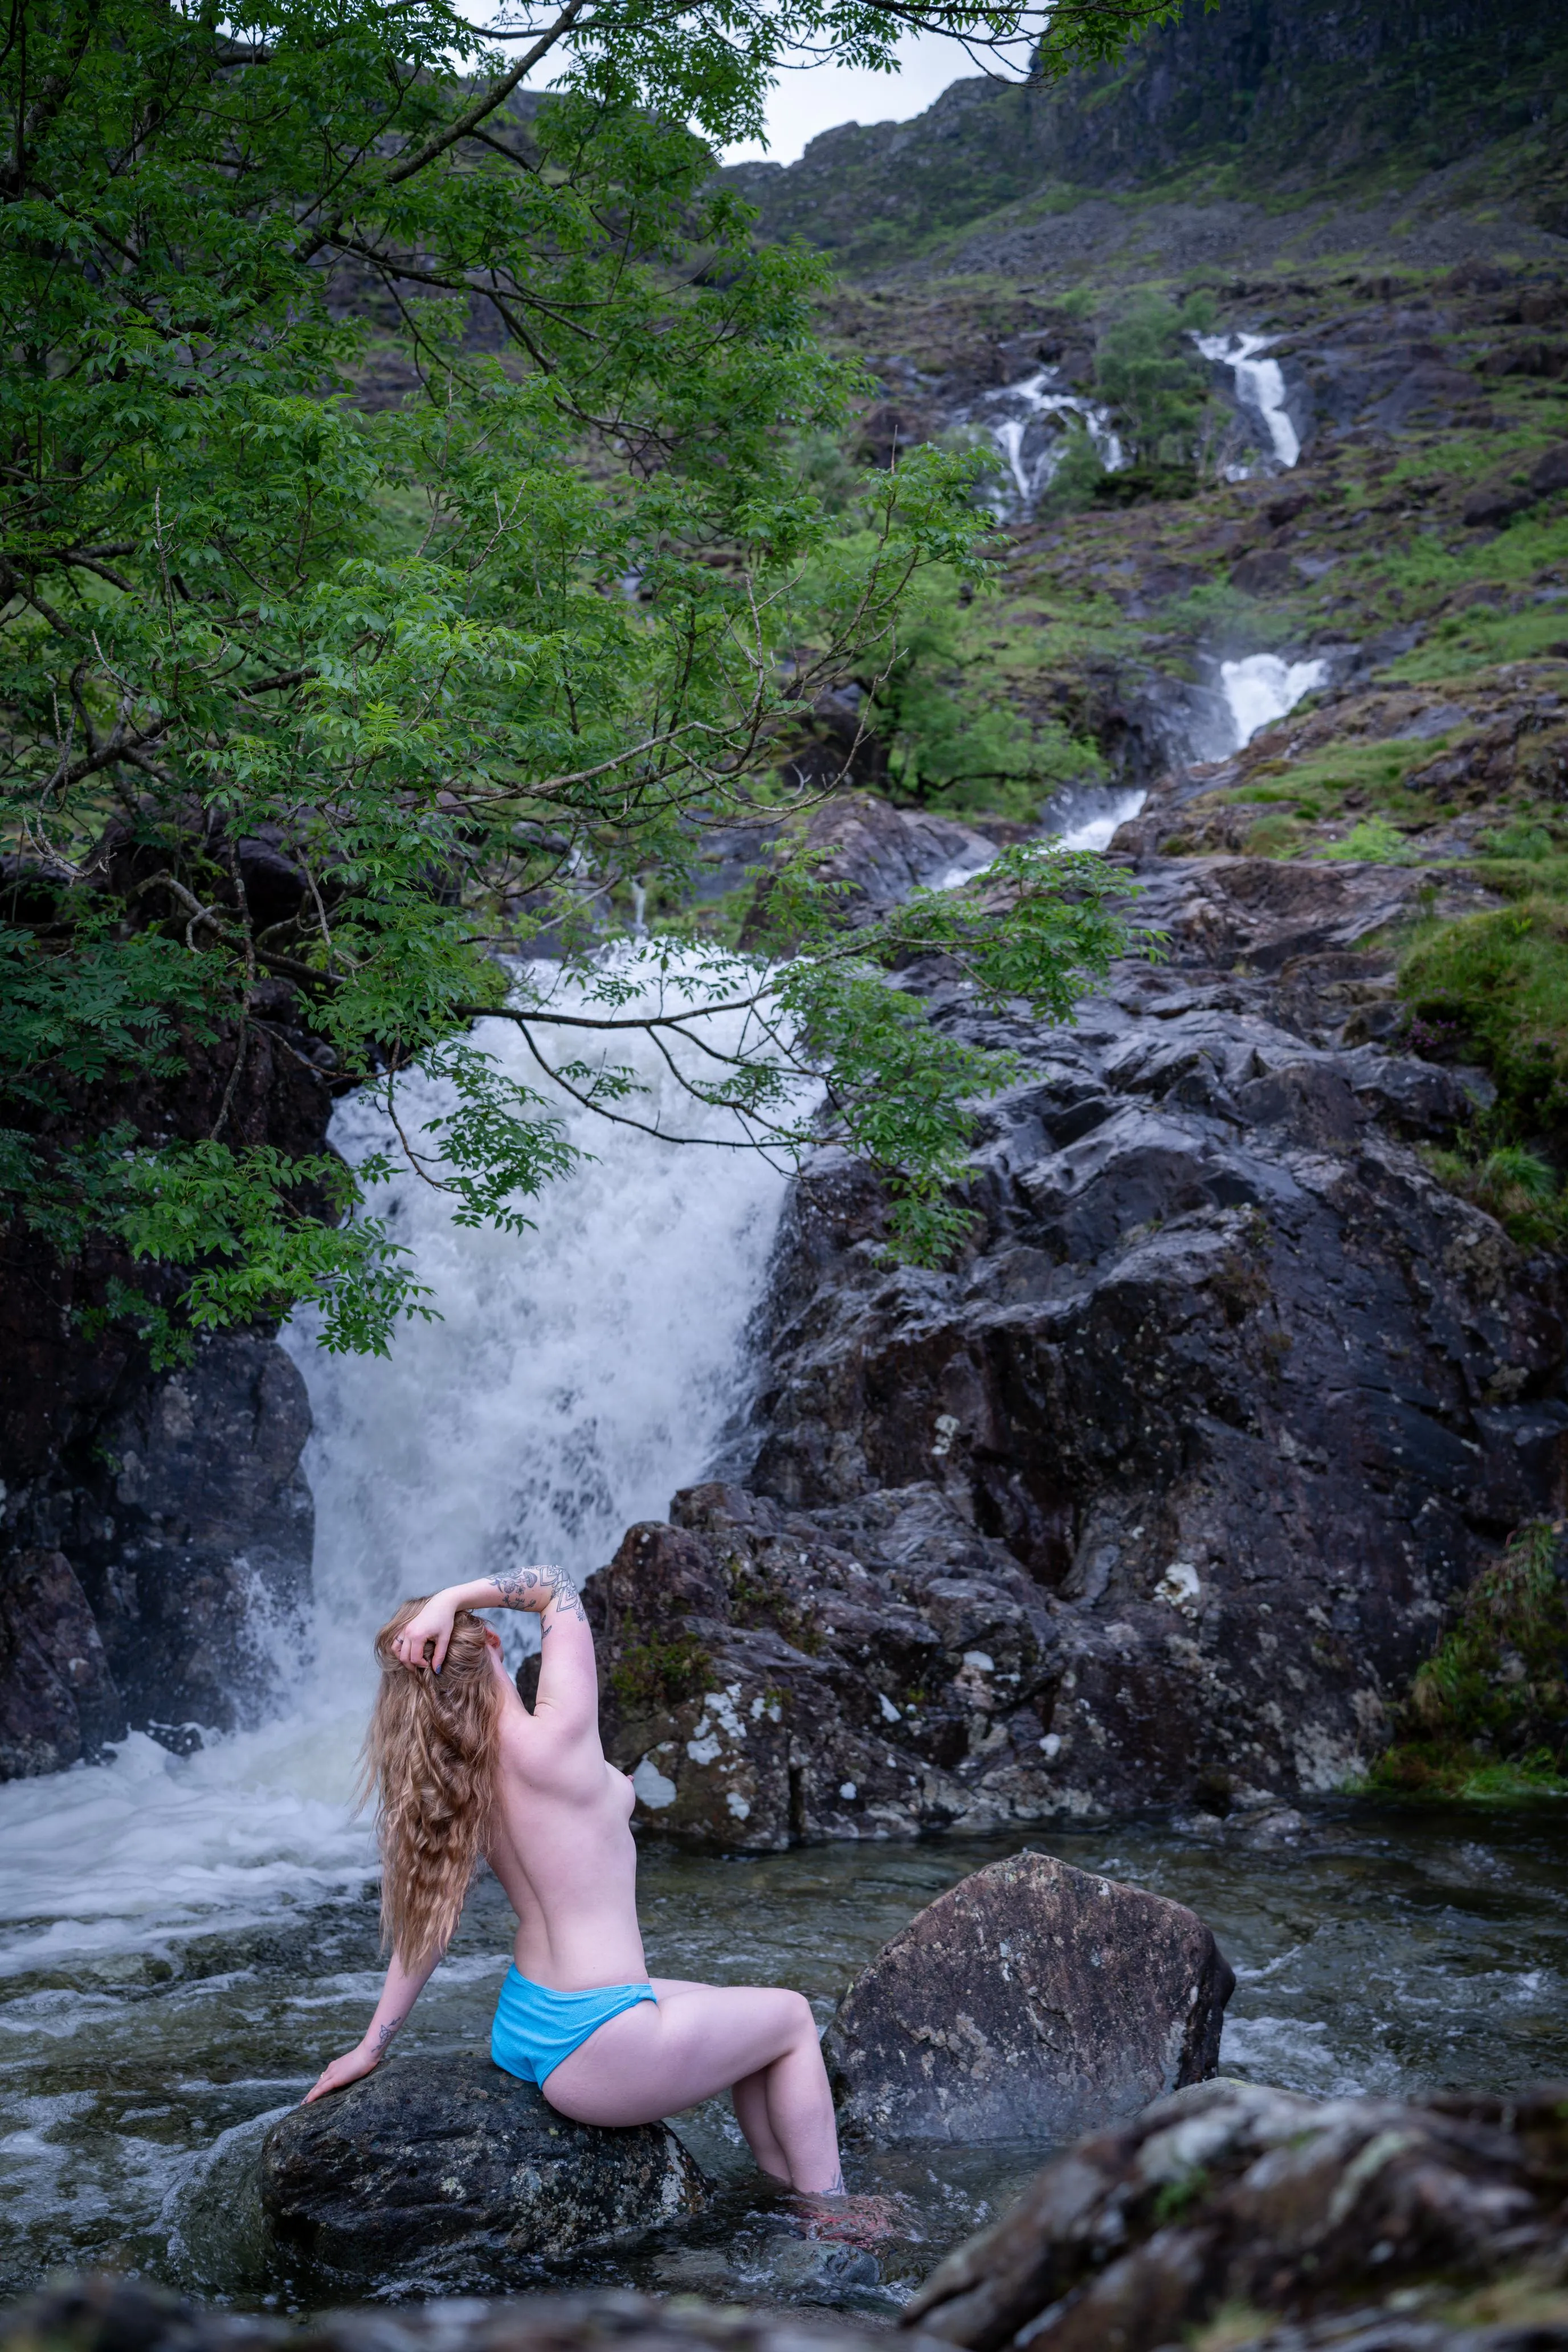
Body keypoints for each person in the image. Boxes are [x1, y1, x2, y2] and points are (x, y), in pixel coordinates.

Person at [303, 1566, 846, 2197]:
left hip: (526, 2024)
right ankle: (831, 2217)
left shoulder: (460, 1783)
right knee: (790, 2019)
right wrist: (454, 1598)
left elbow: (427, 1928)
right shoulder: (558, 1739)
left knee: (748, 2029)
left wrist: (371, 2048)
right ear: (495, 1646)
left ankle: (782, 2189)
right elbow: (555, 1585)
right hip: (602, 2042)